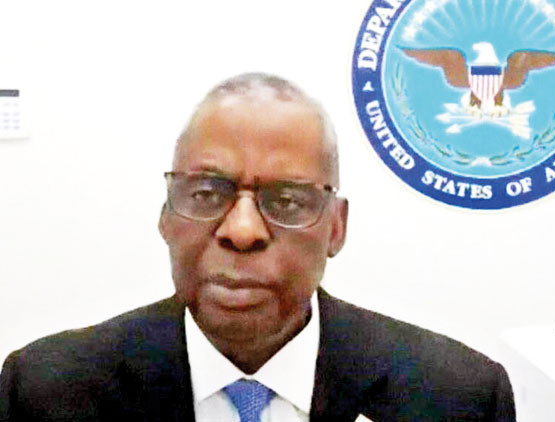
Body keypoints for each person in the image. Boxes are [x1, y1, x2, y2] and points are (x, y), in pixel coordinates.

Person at [0, 73, 515, 421]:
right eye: (206, 194)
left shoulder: (455, 398)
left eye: (287, 200)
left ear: (336, 228)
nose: (242, 231)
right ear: (165, 216)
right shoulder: (46, 393)